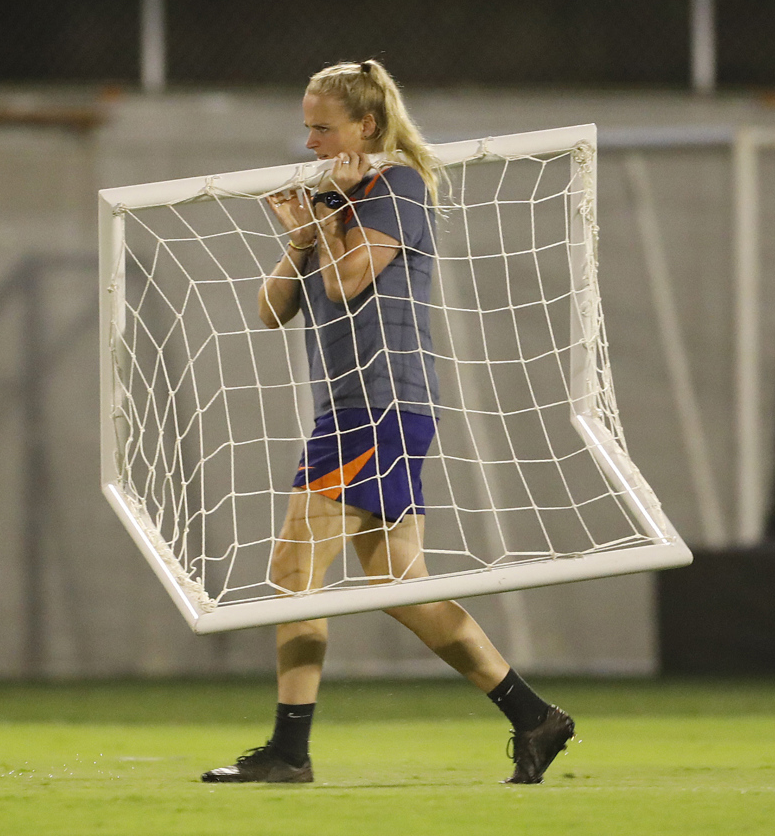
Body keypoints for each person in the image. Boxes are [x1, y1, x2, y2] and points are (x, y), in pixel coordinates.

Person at [201, 60, 574, 786]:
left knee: (292, 571)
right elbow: (273, 309)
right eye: (306, 124)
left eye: (322, 126)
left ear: (366, 126)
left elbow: (348, 282)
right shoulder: (329, 199)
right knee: (400, 581)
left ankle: (290, 752)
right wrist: (303, 237)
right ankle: (533, 716)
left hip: (376, 409)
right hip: (358, 411)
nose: (308, 140)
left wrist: (324, 225)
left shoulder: (396, 187)